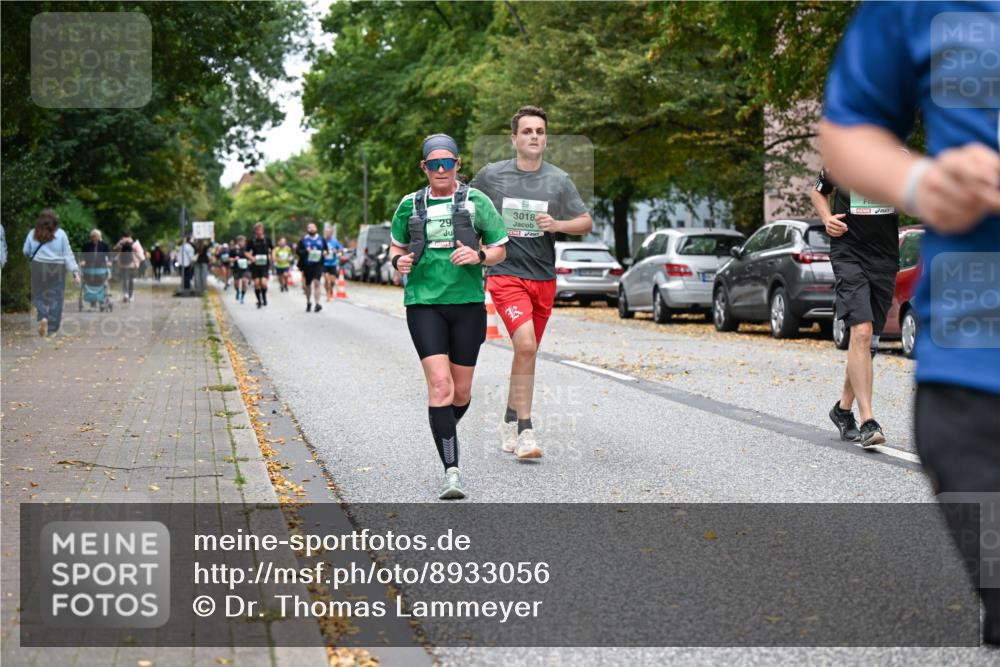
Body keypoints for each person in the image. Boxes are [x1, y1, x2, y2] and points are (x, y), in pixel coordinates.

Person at [818, 1, 1000, 646]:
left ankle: (848, 407)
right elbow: (841, 140)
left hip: (882, 251)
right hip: (977, 352)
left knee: (866, 333)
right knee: (863, 331)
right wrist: (922, 182)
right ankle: (864, 415)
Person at [389, 133, 508, 499]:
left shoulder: (476, 201)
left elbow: (501, 248)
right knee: (440, 387)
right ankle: (451, 472)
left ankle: (442, 430)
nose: (441, 169)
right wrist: (399, 261)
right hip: (424, 304)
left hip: (467, 305)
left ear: (457, 165)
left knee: (461, 391)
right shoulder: (410, 204)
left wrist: (480, 257)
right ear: (424, 168)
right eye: (433, 164)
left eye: (448, 163)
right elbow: (395, 247)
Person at [470, 105, 592, 459]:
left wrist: (557, 225)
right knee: (525, 346)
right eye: (527, 131)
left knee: (528, 352)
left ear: (546, 138)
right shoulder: (492, 176)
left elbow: (584, 221)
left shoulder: (559, 180)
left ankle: (509, 420)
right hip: (506, 274)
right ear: (514, 138)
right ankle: (525, 430)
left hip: (544, 277)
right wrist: (479, 242)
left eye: (539, 131)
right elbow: (467, 206)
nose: (534, 136)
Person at [812, 160, 901, 447]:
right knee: (861, 332)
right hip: (848, 252)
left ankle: (842, 410)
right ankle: (868, 420)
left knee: (868, 342)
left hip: (885, 256)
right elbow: (818, 191)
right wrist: (827, 218)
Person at [22, 209, 80, 337]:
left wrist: (33, 257)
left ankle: (43, 316)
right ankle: (52, 329)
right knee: (57, 298)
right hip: (57, 268)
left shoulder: (33, 233)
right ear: (54, 220)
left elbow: (26, 251)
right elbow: (67, 254)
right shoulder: (61, 234)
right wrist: (75, 272)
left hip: (38, 266)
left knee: (37, 294)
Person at [295, 223, 326, 312]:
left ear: (316, 228)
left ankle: (317, 304)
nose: (312, 229)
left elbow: (326, 250)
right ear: (307, 229)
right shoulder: (303, 240)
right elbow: (298, 252)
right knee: (308, 285)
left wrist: (325, 252)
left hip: (318, 264)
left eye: (313, 227)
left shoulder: (321, 239)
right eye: (310, 228)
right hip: (307, 265)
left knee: (317, 283)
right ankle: (308, 302)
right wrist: (306, 251)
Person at [246, 222, 273, 308]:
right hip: (255, 264)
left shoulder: (267, 239)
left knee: (264, 283)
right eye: (257, 230)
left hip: (264, 264)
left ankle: (264, 296)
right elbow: (246, 252)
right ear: (255, 231)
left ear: (263, 230)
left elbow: (273, 249)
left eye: (261, 229)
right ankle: (259, 300)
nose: (259, 231)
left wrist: (271, 256)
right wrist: (251, 258)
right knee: (257, 283)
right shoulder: (252, 240)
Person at [114, 231, 144, 302]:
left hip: (123, 264)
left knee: (124, 279)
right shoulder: (135, 243)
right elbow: (139, 254)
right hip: (132, 265)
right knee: (131, 280)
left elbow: (115, 250)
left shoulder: (121, 242)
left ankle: (125, 294)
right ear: (130, 235)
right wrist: (142, 260)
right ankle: (130, 295)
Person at [322, 225, 343, 301]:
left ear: (332, 233)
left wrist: (336, 251)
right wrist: (322, 253)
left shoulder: (335, 241)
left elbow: (341, 249)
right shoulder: (323, 241)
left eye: (329, 232)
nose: (328, 234)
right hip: (325, 263)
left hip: (333, 263)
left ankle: (330, 289)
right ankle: (328, 295)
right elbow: (318, 249)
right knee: (327, 280)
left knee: (332, 281)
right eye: (326, 232)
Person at [230, 236, 250, 303]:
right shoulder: (234, 249)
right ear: (237, 242)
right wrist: (234, 259)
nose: (241, 243)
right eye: (240, 241)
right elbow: (229, 258)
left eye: (243, 241)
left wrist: (250, 260)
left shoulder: (247, 249)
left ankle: (242, 296)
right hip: (236, 268)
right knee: (236, 284)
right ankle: (237, 291)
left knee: (245, 282)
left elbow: (251, 257)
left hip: (245, 268)